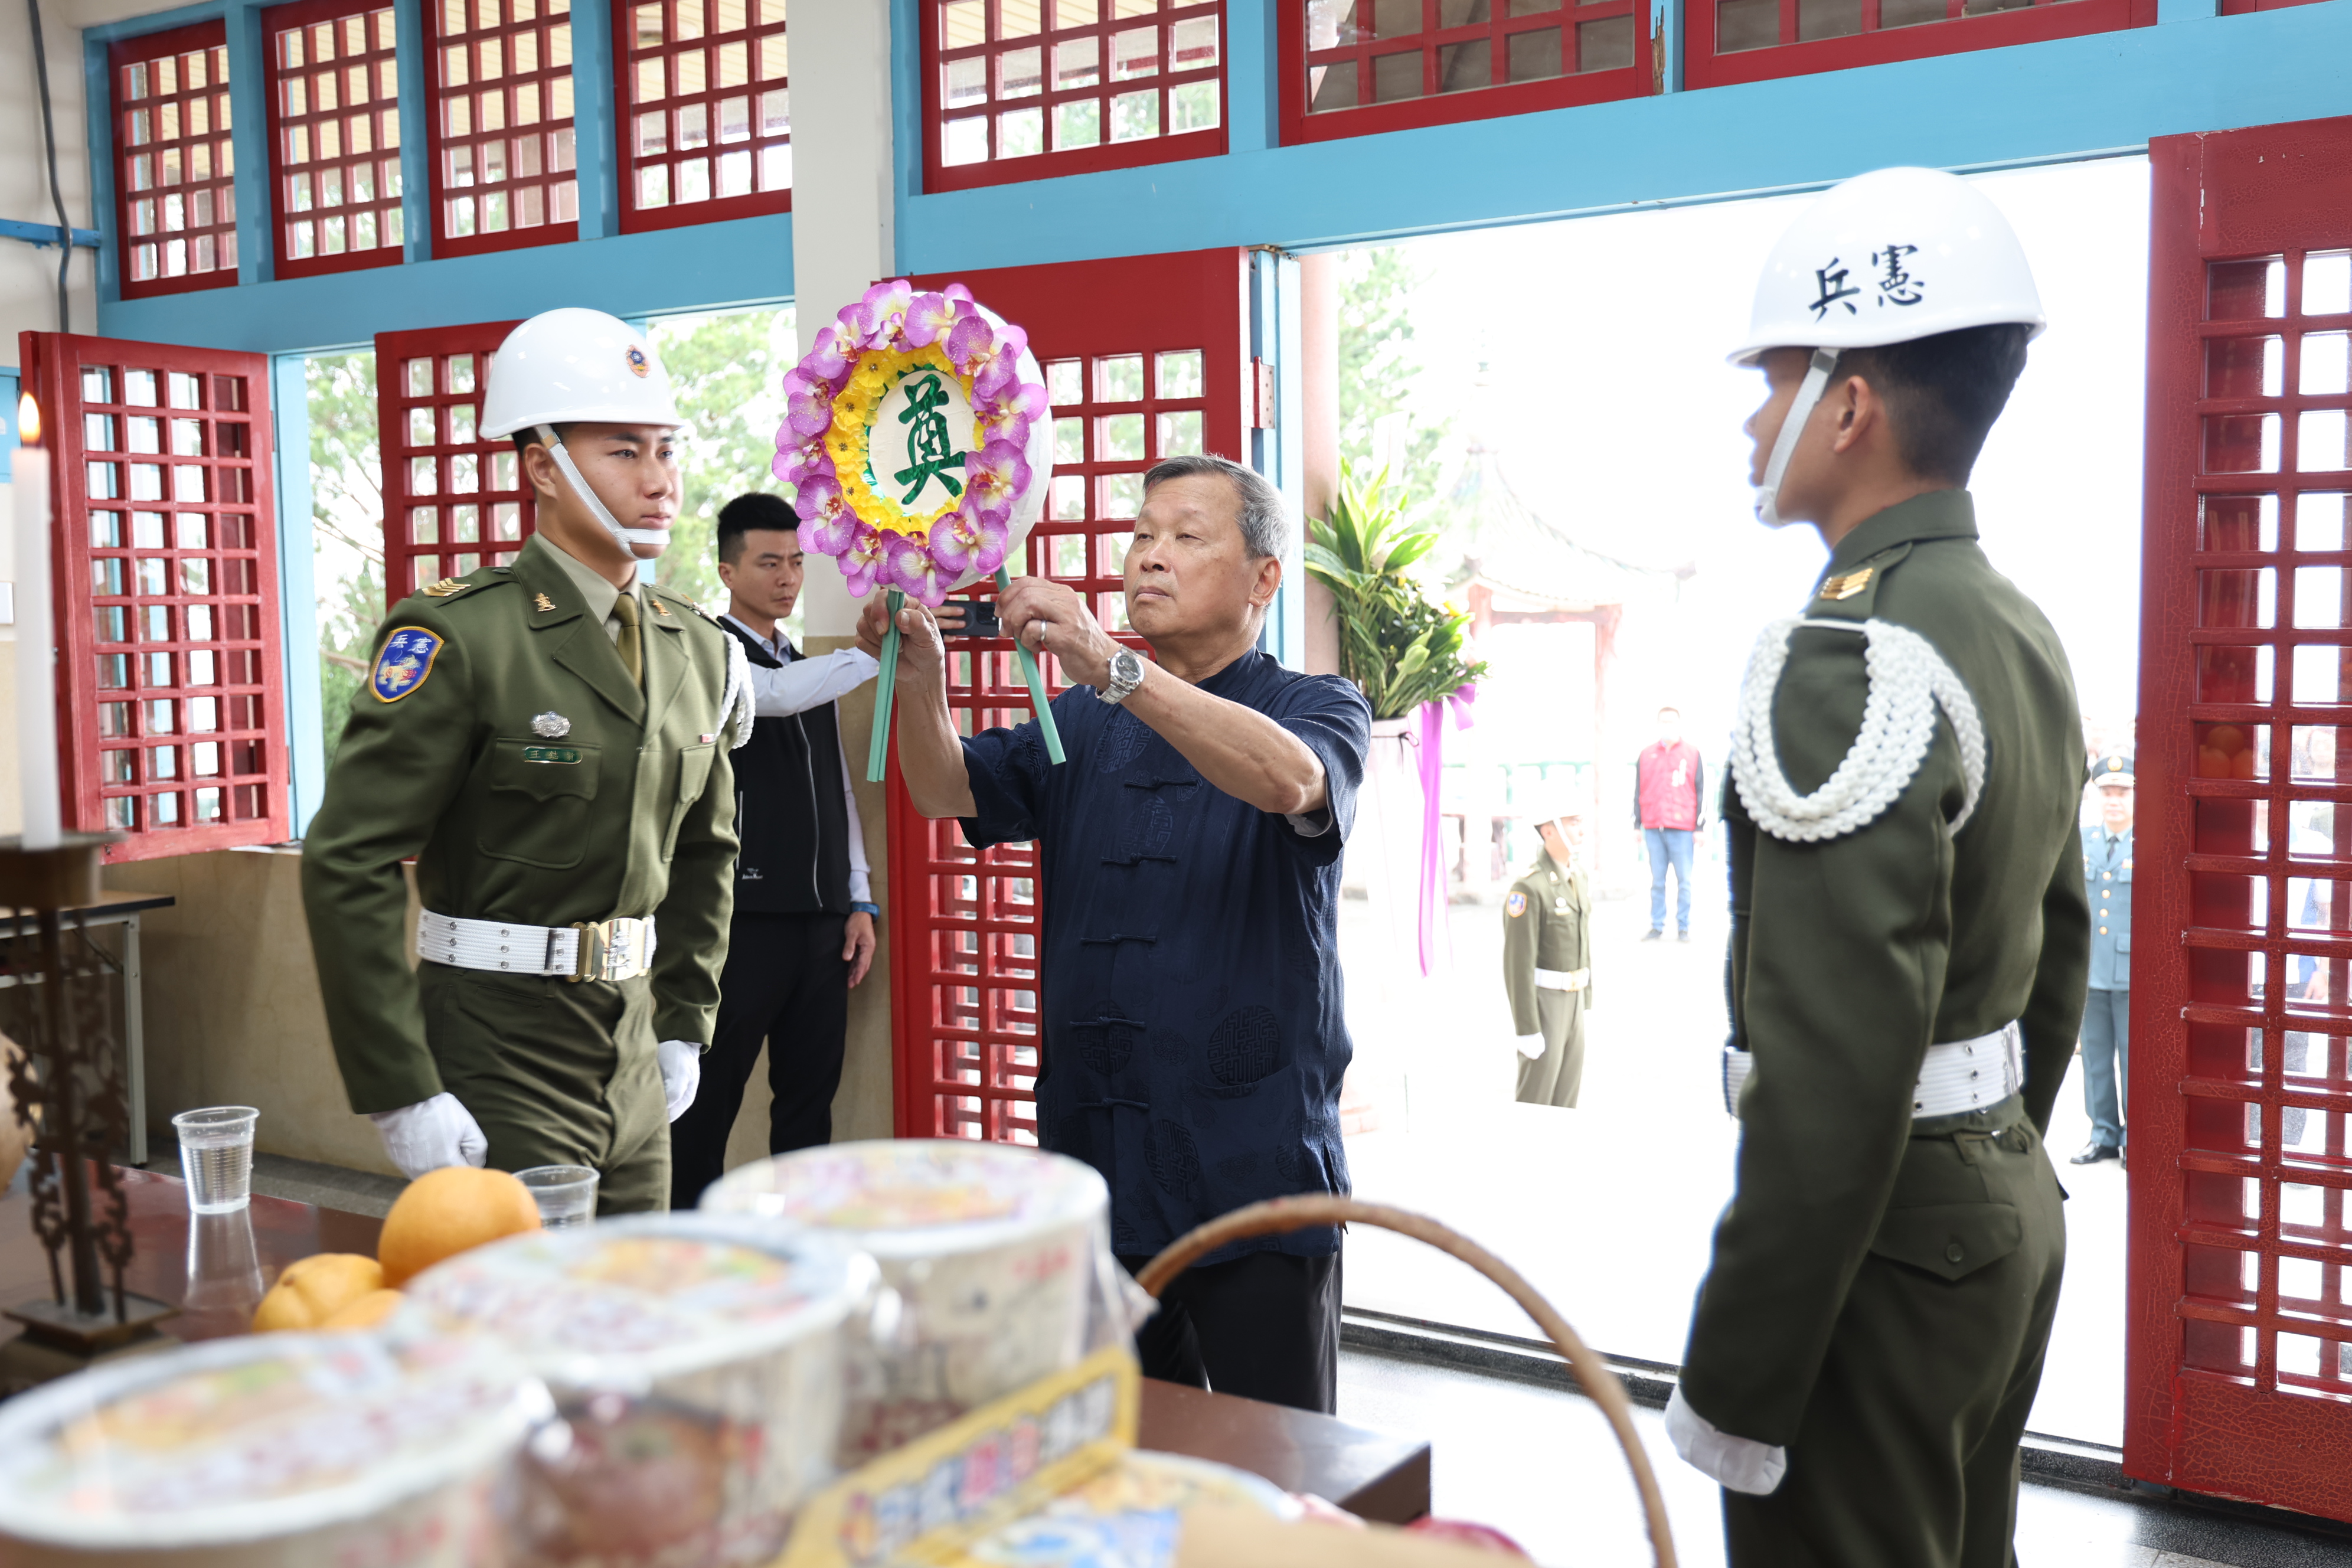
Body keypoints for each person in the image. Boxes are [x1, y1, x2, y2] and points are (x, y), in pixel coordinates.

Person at [1668, 168, 2089, 1568]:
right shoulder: (2015, 623)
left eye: (1774, 375)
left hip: (1884, 1239)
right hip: (1992, 1200)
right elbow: (2060, 947)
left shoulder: (1848, 660)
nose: (1749, 415)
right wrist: (1990, 1158)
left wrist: (1736, 1375)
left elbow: (1834, 1070)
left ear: (1845, 405)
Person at [863, 452, 1370, 1416]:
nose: (1149, 556)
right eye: (1141, 534)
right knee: (1122, 1444)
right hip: (1098, 1162)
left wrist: (1111, 664)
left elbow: (1288, 782)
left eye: (1186, 537)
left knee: (1286, 1456)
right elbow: (944, 788)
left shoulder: (1314, 704)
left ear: (1264, 577)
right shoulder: (1081, 722)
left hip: (1252, 1170)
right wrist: (922, 677)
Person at [302, 309, 747, 1213]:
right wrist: (400, 1083)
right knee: (534, 1329)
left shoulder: (697, 648)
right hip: (497, 1038)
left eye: (668, 450)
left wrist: (684, 1023)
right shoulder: (463, 636)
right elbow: (350, 857)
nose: (660, 482)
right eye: (625, 452)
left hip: (632, 1043)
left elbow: (707, 850)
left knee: (633, 1323)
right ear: (542, 467)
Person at [667, 493, 890, 1206]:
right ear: (728, 571)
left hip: (821, 921)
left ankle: (803, 1241)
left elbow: (840, 790)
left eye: (796, 562)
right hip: (741, 921)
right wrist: (872, 654)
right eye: (769, 563)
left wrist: (857, 897)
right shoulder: (709, 653)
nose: (788, 578)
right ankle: (688, 1237)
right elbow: (774, 696)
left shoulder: (799, 661)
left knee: (808, 1099)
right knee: (708, 1097)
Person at [1502, 799, 1593, 1108]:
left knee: (1567, 1101)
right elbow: (1518, 964)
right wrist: (1527, 1028)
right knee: (1535, 1101)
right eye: (1573, 823)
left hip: (1574, 1001)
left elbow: (1583, 942)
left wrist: (1587, 1002)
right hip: (1545, 1004)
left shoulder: (1578, 876)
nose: (1581, 830)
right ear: (1549, 830)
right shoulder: (1529, 887)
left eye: (1580, 822)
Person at [2073, 754, 2132, 1165]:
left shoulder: (2150, 841)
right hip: (2090, 968)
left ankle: (2135, 1136)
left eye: (2123, 792)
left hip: (2132, 971)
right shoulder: (2081, 840)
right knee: (2095, 1057)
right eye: (2106, 792)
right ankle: (2103, 1134)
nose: (2114, 801)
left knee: (2133, 1059)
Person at [1634, 708, 1705, 942]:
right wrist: (1637, 824)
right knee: (1657, 880)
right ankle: (1657, 925)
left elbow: (1700, 791)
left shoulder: (1692, 754)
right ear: (1658, 725)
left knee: (1684, 881)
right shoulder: (1646, 755)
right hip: (1654, 827)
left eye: (1672, 721)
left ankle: (1683, 926)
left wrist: (1699, 827)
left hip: (1683, 828)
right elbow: (1638, 791)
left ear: (1679, 724)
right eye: (1663, 722)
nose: (1668, 725)